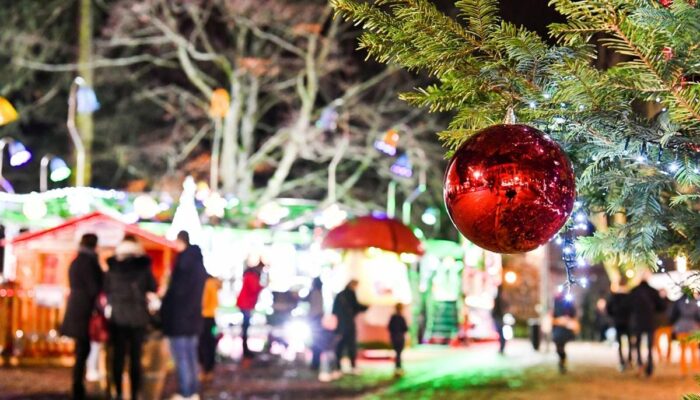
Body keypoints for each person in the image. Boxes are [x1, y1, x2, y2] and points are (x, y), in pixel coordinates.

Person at [105, 235, 157, 400]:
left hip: (118, 317)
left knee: (118, 357)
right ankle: (135, 394)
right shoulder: (143, 266)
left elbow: (106, 288)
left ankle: (118, 393)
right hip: (138, 317)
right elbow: (152, 287)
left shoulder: (112, 267)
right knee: (136, 358)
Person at [161, 231, 207, 400]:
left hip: (179, 318)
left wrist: (164, 303)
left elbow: (176, 293)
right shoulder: (198, 264)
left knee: (182, 358)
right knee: (191, 356)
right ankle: (193, 390)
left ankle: (186, 392)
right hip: (194, 318)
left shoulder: (182, 263)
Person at [61, 233, 103, 400]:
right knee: (83, 349)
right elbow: (94, 286)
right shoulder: (89, 262)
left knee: (81, 348)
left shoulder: (77, 260)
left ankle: (78, 384)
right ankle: (78, 386)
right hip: (85, 310)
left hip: (76, 308)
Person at [628, 278, 665, 376]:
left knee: (638, 344)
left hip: (638, 321)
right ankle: (649, 366)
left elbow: (628, 306)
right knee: (650, 345)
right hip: (650, 321)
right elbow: (661, 306)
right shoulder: (653, 291)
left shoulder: (634, 291)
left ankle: (639, 364)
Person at [332, 280, 368, 374]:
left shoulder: (340, 295)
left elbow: (334, 310)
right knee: (350, 345)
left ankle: (338, 366)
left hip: (341, 324)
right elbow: (356, 307)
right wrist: (365, 307)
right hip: (349, 324)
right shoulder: (350, 294)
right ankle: (352, 365)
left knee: (341, 345)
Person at [237, 261, 265, 359]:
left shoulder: (250, 275)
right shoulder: (252, 276)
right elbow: (254, 289)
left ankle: (245, 348)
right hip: (246, 304)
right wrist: (262, 286)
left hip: (246, 304)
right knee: (245, 327)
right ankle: (245, 349)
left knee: (246, 326)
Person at [199, 275, 221, 381]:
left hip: (204, 318)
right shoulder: (213, 284)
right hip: (212, 318)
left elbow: (202, 302)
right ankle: (210, 368)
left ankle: (206, 370)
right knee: (211, 342)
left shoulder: (205, 284)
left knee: (204, 344)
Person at [606, 288, 633, 371]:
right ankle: (629, 359)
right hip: (628, 322)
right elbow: (633, 309)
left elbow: (608, 309)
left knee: (619, 343)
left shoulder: (614, 297)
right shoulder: (629, 297)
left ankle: (621, 361)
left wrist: (614, 316)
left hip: (618, 322)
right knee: (629, 342)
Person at [552, 292, 578, 374]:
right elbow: (553, 315)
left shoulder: (569, 304)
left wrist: (568, 320)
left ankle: (562, 363)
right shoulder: (556, 302)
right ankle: (562, 361)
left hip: (565, 329)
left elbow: (573, 314)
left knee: (561, 346)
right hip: (558, 327)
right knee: (559, 347)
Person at [304, 277, 325, 371]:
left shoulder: (314, 293)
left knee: (316, 342)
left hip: (315, 319)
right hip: (317, 319)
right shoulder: (318, 293)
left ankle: (315, 364)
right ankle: (315, 363)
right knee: (317, 342)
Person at [388, 303, 408, 377]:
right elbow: (405, 328)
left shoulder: (393, 317)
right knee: (398, 354)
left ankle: (397, 368)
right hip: (399, 338)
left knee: (397, 354)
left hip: (394, 338)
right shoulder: (401, 318)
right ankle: (398, 368)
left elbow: (389, 327)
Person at [492, 284, 508, 354]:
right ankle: (502, 347)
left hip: (498, 317)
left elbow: (498, 308)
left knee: (500, 333)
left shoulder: (498, 298)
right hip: (499, 317)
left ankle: (502, 347)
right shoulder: (501, 298)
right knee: (500, 333)